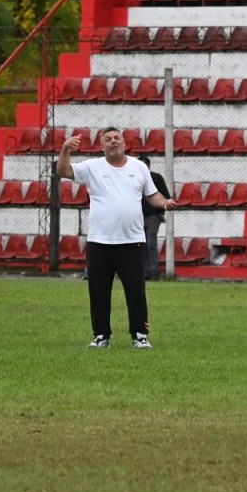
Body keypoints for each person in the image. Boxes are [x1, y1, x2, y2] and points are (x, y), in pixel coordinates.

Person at [58, 128, 177, 350]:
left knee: (135, 290)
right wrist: (65, 148)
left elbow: (151, 194)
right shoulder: (92, 167)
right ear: (102, 146)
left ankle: (140, 334)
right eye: (108, 139)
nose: (113, 142)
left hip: (132, 240)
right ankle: (101, 335)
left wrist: (164, 203)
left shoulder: (139, 167)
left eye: (117, 138)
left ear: (124, 142)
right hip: (100, 241)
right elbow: (63, 171)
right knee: (99, 291)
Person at [138, 155, 173, 281]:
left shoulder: (156, 178)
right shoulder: (133, 178)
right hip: (137, 217)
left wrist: (160, 212)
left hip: (152, 217)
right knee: (140, 245)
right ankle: (143, 271)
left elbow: (165, 196)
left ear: (148, 166)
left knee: (150, 243)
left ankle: (153, 271)